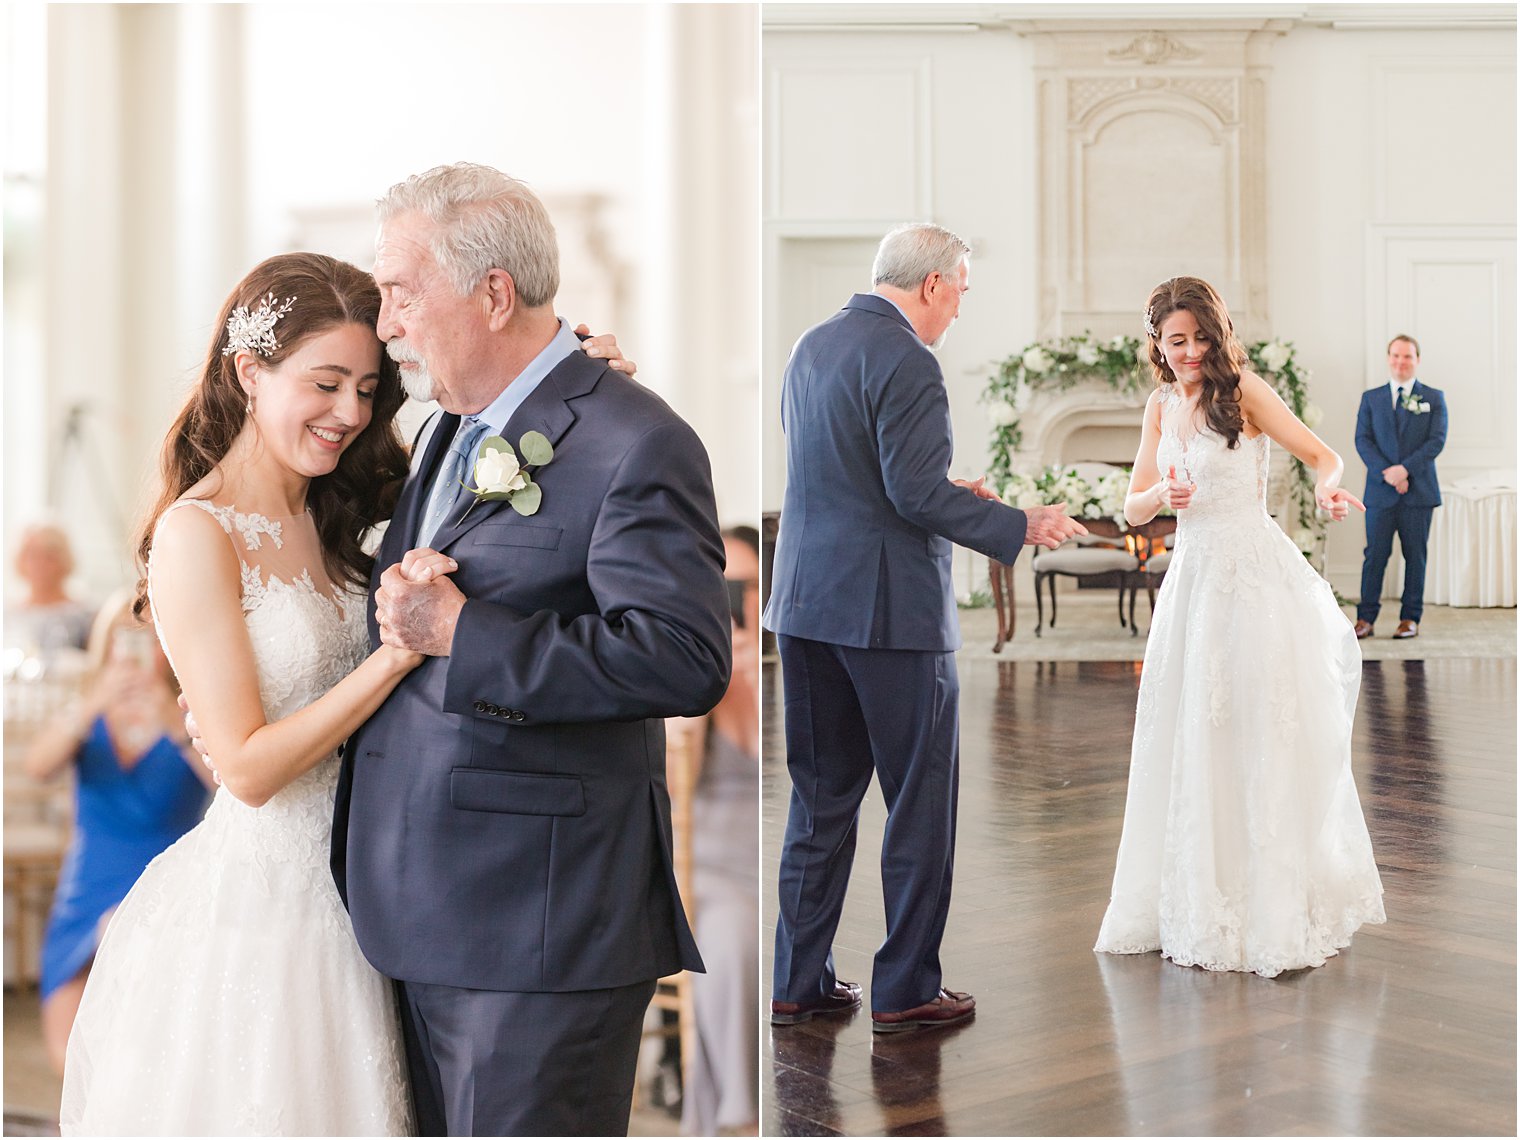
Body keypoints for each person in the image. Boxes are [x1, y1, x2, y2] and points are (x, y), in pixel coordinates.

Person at [59, 247, 637, 1134]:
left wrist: (580, 382)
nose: (349, 413)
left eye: (368, 389)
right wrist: (400, 652)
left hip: (381, 887)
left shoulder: (357, 505)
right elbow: (248, 770)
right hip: (268, 914)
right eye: (325, 384)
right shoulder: (195, 534)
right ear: (249, 371)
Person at [336, 162, 730, 1137]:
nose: (388, 323)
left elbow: (683, 657)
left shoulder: (635, 441)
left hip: (539, 930)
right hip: (417, 915)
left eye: (400, 290)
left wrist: (468, 635)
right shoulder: (442, 434)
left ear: (492, 292)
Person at [764, 223, 1083, 1033]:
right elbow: (909, 497)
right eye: (963, 294)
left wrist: (943, 488)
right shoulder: (909, 357)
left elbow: (848, 473)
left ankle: (798, 982)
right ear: (934, 284)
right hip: (889, 615)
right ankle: (906, 989)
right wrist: (1018, 522)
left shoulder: (812, 346)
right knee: (918, 803)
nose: (958, 312)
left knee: (821, 799)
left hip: (804, 606)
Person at [1094, 276, 1386, 978]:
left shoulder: (1245, 393)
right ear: (1158, 346)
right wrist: (1162, 494)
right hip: (1192, 584)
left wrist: (1323, 486)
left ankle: (1270, 903)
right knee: (1193, 732)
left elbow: (1324, 455)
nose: (1190, 351)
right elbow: (1132, 508)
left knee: (1258, 728)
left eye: (1199, 338)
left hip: (1251, 579)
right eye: (1176, 341)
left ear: (1215, 336)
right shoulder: (1160, 407)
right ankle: (1198, 897)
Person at [27, 589, 213, 1074]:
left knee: (142, 1064)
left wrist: (176, 723)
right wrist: (90, 707)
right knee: (72, 1065)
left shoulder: (195, 712)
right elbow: (37, 766)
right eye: (122, 642)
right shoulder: (86, 714)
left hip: (167, 893)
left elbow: (230, 787)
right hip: (86, 893)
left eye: (149, 642)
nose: (133, 655)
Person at [674, 524, 761, 1137]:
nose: (733, 601)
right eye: (718, 589)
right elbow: (672, 785)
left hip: (775, 851)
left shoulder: (786, 666)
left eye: (744, 587)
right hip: (705, 855)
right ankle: (738, 1115)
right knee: (733, 936)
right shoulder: (688, 669)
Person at [1353, 335, 1448, 640]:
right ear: (1388, 358)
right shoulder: (1371, 398)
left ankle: (1410, 618)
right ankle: (1365, 619)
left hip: (1418, 493)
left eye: (1407, 357)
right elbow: (1362, 440)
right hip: (1380, 493)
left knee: (1415, 557)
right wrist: (1389, 473)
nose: (1400, 362)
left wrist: (1405, 470)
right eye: (1395, 356)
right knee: (1375, 556)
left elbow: (1436, 441)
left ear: (1417, 360)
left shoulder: (1433, 398)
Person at [6, 523, 95, 655]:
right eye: (32, 555)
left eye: (49, 556)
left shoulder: (85, 616)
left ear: (64, 560)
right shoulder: (8, 615)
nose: (40, 564)